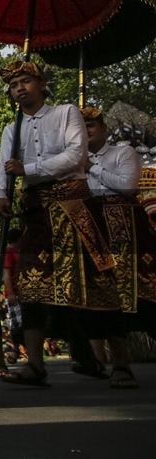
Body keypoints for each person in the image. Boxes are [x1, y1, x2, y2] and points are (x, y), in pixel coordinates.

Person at [0, 62, 123, 388]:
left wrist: (29, 168)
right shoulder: (12, 129)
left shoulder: (66, 113)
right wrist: (0, 195)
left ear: (42, 84)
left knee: (99, 278)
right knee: (32, 283)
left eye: (26, 81)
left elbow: (76, 156)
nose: (20, 88)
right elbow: (4, 168)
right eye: (14, 85)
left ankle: (120, 363)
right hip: (35, 208)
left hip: (76, 204)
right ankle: (35, 364)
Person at [82, 106, 152, 387]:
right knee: (96, 296)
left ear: (104, 129)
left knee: (135, 295)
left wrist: (92, 168)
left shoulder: (123, 153)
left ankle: (121, 363)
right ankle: (101, 360)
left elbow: (128, 187)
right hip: (92, 230)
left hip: (126, 232)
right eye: (81, 126)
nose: (86, 131)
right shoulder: (74, 158)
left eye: (91, 125)